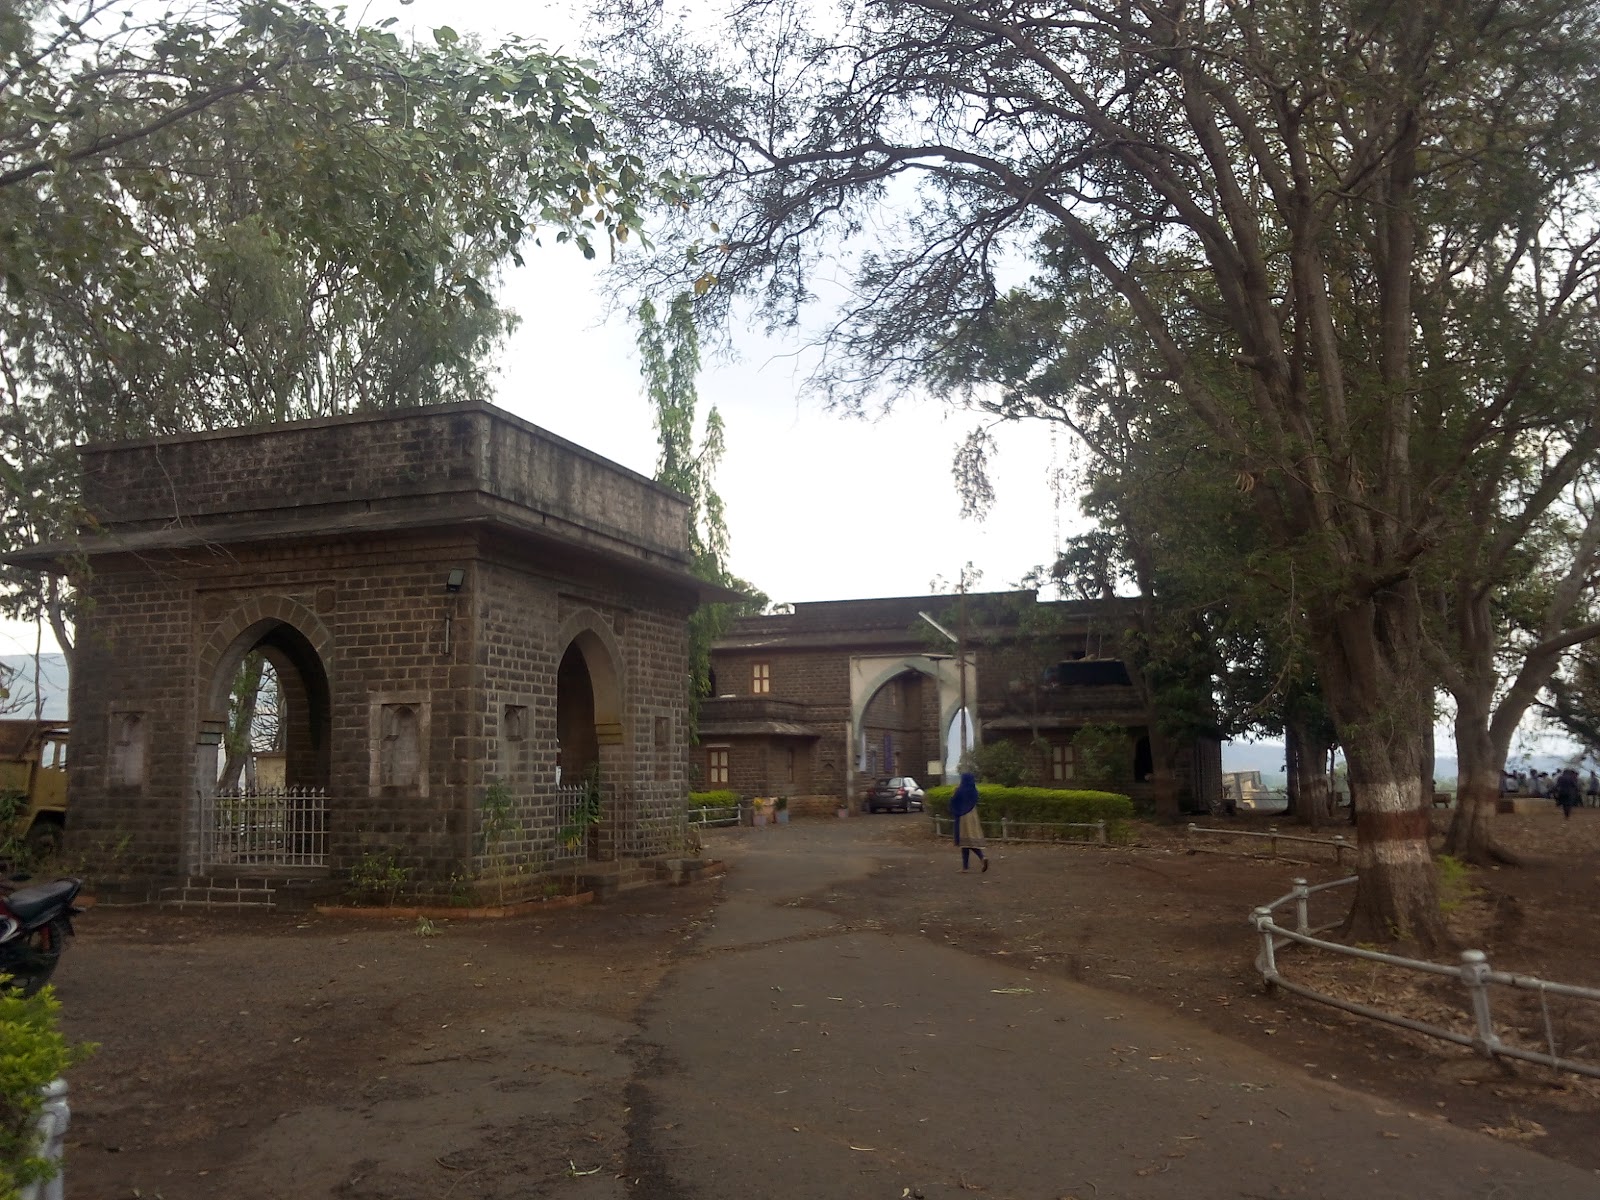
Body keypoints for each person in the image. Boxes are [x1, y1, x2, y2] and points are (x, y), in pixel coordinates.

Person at [950, 772, 989, 872]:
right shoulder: (973, 790)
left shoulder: (960, 790)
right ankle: (980, 858)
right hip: (972, 815)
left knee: (964, 841)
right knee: (970, 839)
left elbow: (954, 801)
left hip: (963, 816)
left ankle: (966, 866)